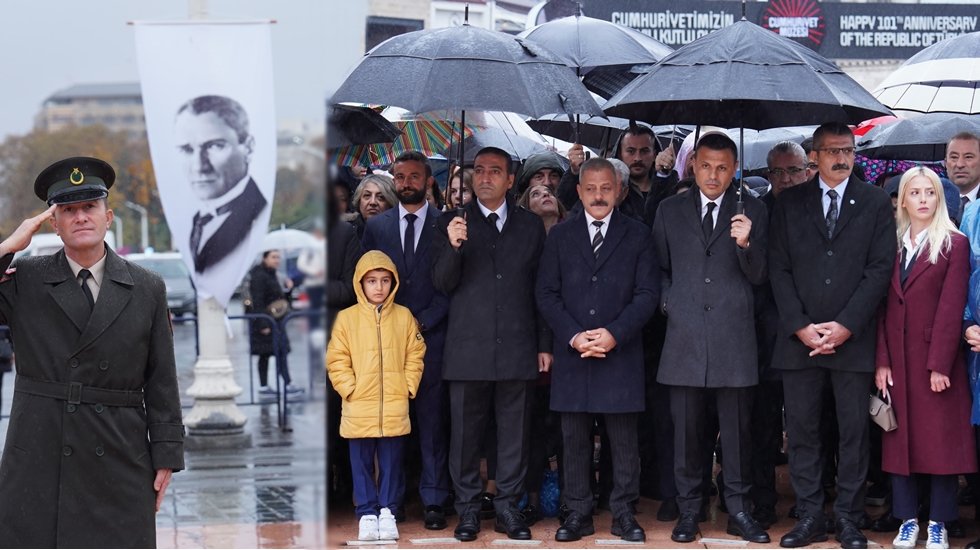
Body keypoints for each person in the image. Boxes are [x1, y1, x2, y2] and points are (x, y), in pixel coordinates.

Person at [0, 157, 184, 547]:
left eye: (89, 207)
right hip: (41, 450)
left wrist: (166, 453)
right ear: (53, 223)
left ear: (108, 216)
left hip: (120, 450)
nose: (80, 217)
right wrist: (9, 245)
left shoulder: (146, 286)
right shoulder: (27, 280)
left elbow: (161, 377)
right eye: (68, 210)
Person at [769, 122, 896, 550]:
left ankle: (848, 518)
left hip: (852, 340)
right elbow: (778, 269)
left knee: (853, 433)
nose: (842, 158)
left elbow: (880, 270)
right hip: (799, 341)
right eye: (832, 150)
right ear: (814, 156)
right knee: (803, 432)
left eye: (848, 149)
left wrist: (845, 326)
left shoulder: (876, 202)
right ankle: (809, 517)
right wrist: (801, 326)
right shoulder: (789, 203)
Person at [652, 133, 770, 544]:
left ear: (734, 170)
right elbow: (659, 269)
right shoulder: (669, 210)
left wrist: (746, 244)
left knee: (737, 434)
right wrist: (669, 302)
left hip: (734, 339)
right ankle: (689, 511)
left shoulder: (753, 209)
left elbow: (761, 276)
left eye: (723, 167)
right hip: (683, 338)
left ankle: (738, 509)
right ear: (694, 166)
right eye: (706, 166)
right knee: (686, 435)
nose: (713, 175)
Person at [536, 158, 659, 543]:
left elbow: (647, 295)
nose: (598, 196)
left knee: (623, 442)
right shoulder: (559, 235)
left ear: (619, 190)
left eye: (606, 188)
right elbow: (546, 293)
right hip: (574, 354)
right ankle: (577, 513)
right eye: (591, 189)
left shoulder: (638, 235)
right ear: (578, 191)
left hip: (619, 353)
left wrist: (613, 334)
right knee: (572, 440)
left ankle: (623, 512)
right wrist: (574, 336)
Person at [432, 146, 550, 542]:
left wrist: (544, 344)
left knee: (513, 434)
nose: (484, 177)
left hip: (517, 346)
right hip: (467, 350)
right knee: (465, 436)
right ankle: (467, 510)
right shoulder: (452, 222)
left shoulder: (530, 226)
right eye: (479, 170)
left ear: (510, 179)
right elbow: (442, 284)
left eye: (494, 171)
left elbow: (541, 290)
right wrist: (453, 246)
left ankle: (507, 509)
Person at [875, 167, 975, 550]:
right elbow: (882, 306)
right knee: (899, 441)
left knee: (941, 445)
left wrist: (939, 364)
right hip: (897, 360)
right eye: (913, 192)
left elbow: (952, 308)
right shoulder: (892, 242)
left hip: (936, 363)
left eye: (929, 193)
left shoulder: (954, 243)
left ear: (939, 198)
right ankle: (907, 520)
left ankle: (938, 522)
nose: (921, 199)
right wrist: (881, 360)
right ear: (902, 199)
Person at [362, 151, 452, 530]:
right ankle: (392, 501)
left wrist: (423, 320)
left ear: (428, 181)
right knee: (392, 423)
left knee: (432, 423)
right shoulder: (378, 227)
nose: (406, 183)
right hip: (388, 342)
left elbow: (452, 282)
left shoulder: (445, 223)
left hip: (433, 337)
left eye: (414, 176)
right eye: (400, 177)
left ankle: (434, 500)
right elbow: (367, 280)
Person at [327, 250, 426, 542]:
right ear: (360, 283)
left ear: (393, 282)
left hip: (394, 404)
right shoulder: (347, 319)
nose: (379, 287)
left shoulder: (404, 316)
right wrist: (349, 388)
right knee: (360, 461)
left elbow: (416, 353)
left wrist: (407, 385)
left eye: (385, 280)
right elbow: (336, 358)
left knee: (393, 461)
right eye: (372, 281)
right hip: (358, 406)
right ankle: (367, 513)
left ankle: (388, 511)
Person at [174, 95, 269, 278]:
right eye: (187, 150)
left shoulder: (258, 214)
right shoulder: (198, 219)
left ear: (248, 148)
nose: (199, 166)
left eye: (215, 146)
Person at [558, 125, 679, 226]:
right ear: (619, 153)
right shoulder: (605, 188)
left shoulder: (669, 184)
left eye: (644, 151)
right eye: (631, 151)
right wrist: (574, 173)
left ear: (655, 154)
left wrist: (663, 176)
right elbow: (565, 203)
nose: (637, 158)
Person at [247, 250, 301, 396]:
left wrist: (288, 289)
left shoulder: (273, 274)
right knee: (266, 354)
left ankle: (286, 383)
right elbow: (257, 301)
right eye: (274, 257)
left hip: (276, 322)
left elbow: (280, 300)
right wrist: (263, 324)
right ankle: (268, 387)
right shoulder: (259, 276)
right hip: (265, 322)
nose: (277, 260)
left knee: (280, 352)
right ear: (265, 258)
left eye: (278, 257)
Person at [348, 174, 397, 239]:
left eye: (380, 197)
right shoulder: (345, 232)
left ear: (391, 203)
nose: (372, 202)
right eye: (367, 195)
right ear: (359, 200)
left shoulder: (401, 233)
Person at [297, 224, 326, 330]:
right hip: (314, 283)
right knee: (315, 307)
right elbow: (301, 264)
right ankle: (314, 330)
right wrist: (315, 272)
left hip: (326, 282)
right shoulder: (309, 247)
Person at [947, 132, 980, 224]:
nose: (960, 164)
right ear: (945, 163)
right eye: (954, 157)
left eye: (968, 157)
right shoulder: (933, 200)